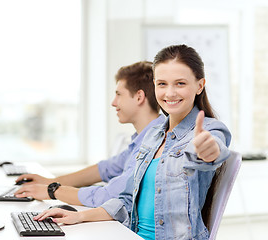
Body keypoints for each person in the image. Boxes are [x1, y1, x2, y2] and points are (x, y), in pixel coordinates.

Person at [34, 44, 232, 240]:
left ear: (199, 85)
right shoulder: (153, 134)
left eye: (180, 83)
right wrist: (79, 216)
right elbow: (126, 199)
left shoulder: (209, 130)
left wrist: (208, 150)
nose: (170, 93)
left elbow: (214, 151)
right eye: (162, 84)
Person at [14, 61, 165, 207]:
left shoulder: (156, 143)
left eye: (119, 94)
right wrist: (49, 181)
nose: (113, 102)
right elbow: (105, 169)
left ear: (139, 97)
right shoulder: (142, 140)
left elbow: (109, 195)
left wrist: (52, 191)